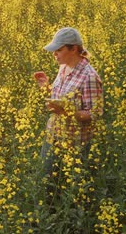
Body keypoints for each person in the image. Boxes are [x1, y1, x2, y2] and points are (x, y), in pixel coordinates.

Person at [33, 27, 104, 178]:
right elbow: (62, 98)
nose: (54, 53)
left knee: (71, 188)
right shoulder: (63, 67)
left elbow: (94, 114)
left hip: (75, 143)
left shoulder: (89, 76)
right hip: (53, 135)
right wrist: (46, 88)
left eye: (59, 49)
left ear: (73, 49)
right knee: (44, 180)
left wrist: (64, 113)